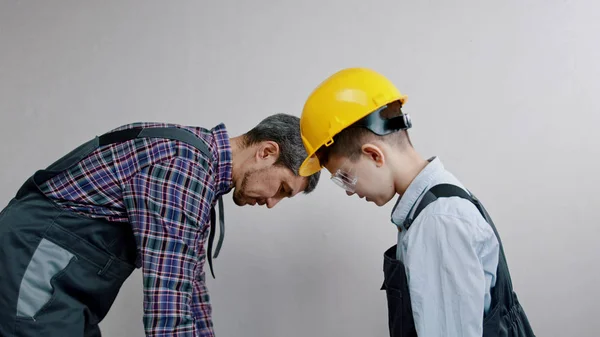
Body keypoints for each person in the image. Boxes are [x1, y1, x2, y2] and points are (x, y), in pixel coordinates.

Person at [0, 114, 321, 337]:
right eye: (281, 188)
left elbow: (191, 291)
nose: (272, 202)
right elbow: (167, 296)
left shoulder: (202, 171)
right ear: (266, 152)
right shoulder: (184, 169)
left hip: (62, 284)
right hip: (34, 265)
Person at [297, 67, 535, 337]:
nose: (349, 191)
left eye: (345, 177)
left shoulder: (438, 221)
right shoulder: (437, 203)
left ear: (374, 155)